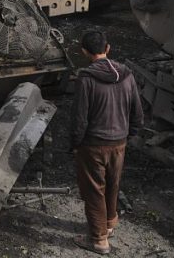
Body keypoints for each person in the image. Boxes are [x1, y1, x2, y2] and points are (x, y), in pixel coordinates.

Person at [70, 30, 144, 256]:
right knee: (113, 184)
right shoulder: (127, 75)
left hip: (93, 145)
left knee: (94, 191)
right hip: (119, 142)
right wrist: (130, 135)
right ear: (108, 48)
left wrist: (74, 143)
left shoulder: (86, 79)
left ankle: (99, 240)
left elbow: (79, 118)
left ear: (84, 51)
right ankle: (110, 223)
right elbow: (137, 112)